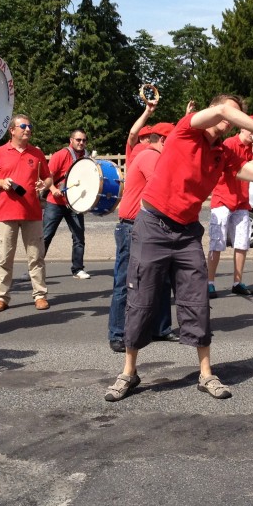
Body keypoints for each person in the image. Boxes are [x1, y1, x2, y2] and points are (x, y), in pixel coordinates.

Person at [103, 94, 253, 402]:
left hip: (186, 234)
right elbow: (225, 110)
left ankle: (206, 373)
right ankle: (128, 372)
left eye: (238, 116)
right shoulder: (187, 129)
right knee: (141, 299)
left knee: (197, 301)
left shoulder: (222, 154)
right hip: (152, 227)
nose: (231, 119)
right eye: (230, 113)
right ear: (213, 111)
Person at [107, 121, 177, 352]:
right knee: (125, 282)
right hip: (132, 225)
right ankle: (118, 333)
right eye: (174, 141)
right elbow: (163, 188)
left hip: (151, 226)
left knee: (162, 278)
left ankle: (161, 328)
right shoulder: (149, 157)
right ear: (164, 141)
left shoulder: (158, 157)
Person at [0, 114, 52, 312]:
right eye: (23, 126)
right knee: (4, 258)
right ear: (12, 130)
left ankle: (40, 295)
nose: (27, 129)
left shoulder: (36, 153)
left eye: (30, 126)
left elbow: (48, 178)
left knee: (36, 257)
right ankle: (1, 297)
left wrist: (45, 184)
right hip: (6, 213)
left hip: (32, 212)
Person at [207, 115, 253, 298]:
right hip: (223, 198)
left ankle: (237, 282)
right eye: (251, 130)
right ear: (243, 128)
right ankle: (210, 282)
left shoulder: (252, 149)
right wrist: (249, 163)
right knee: (217, 242)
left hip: (242, 201)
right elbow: (228, 169)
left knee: (242, 243)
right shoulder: (230, 143)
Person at [42, 127, 90, 279]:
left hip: (74, 203)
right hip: (55, 202)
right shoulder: (61, 155)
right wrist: (53, 188)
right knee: (45, 236)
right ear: (71, 140)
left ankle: (77, 269)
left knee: (79, 237)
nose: (81, 143)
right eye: (78, 140)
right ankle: (33, 269)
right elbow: (47, 176)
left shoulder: (87, 158)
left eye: (83, 140)